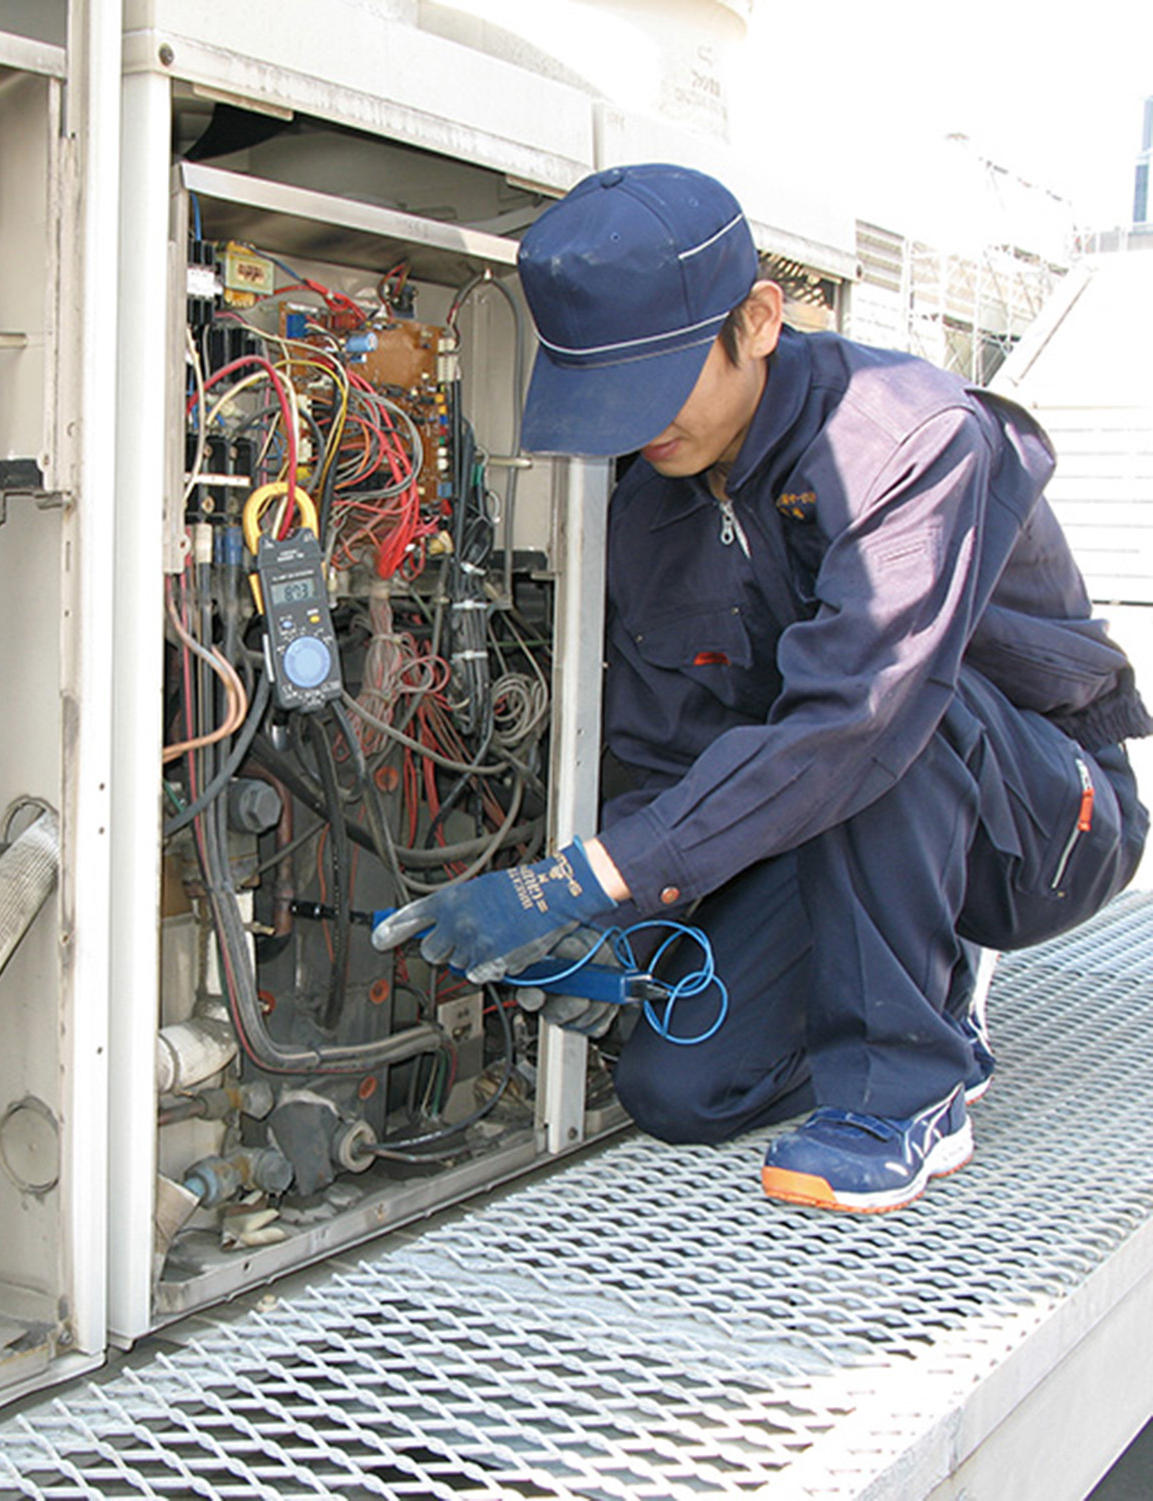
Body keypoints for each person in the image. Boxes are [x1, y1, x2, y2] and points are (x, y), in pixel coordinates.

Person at [374, 163, 1150, 1213]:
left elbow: (855, 720)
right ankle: (901, 989)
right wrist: (616, 934)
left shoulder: (904, 442)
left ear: (759, 318)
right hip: (833, 818)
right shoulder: (650, 508)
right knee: (676, 1086)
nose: (637, 423)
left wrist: (578, 881)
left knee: (878, 721)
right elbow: (662, 751)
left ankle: (908, 1086)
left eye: (658, 378)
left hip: (1038, 813)